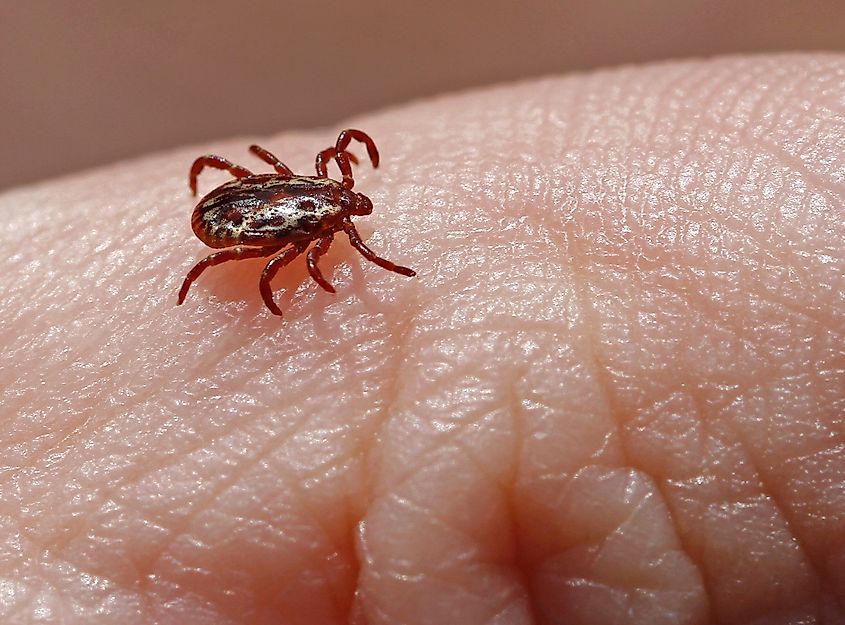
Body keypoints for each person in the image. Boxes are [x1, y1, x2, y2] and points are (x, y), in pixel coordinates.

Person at [1, 54, 842, 624]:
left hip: (242, 209)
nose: (353, 215)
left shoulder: (310, 203)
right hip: (248, 214)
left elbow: (250, 197)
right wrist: (323, 269)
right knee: (253, 240)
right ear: (337, 213)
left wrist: (294, 243)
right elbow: (278, 255)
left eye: (345, 205)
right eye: (347, 210)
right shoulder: (317, 227)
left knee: (249, 220)